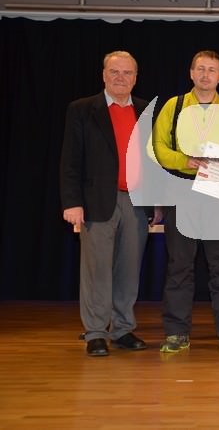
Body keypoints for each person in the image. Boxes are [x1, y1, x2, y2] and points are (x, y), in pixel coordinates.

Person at [151, 50, 219, 353]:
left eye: (211, 70)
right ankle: (176, 333)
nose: (205, 74)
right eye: (200, 68)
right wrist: (184, 160)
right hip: (181, 190)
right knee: (179, 265)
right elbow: (157, 148)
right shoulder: (174, 106)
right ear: (191, 73)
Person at [60, 50, 157, 356]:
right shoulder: (82, 109)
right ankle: (96, 332)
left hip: (137, 202)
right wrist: (72, 202)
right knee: (97, 270)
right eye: (114, 72)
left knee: (129, 270)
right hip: (96, 201)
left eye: (127, 73)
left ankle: (123, 329)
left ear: (135, 78)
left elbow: (153, 160)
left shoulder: (146, 110)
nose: (120, 78)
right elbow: (70, 160)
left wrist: (157, 203)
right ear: (103, 75)